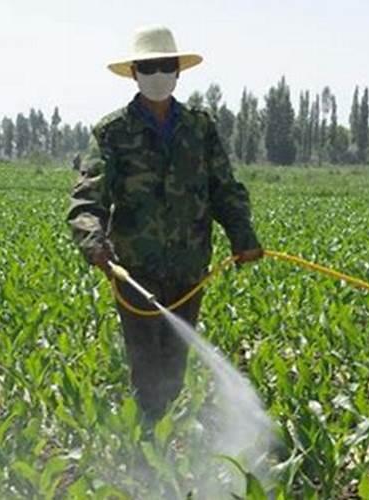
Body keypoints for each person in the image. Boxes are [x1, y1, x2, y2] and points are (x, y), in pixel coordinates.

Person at [67, 25, 263, 422]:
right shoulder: (113, 132)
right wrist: (94, 242)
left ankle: (161, 440)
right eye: (149, 66)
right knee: (147, 366)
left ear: (178, 71)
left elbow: (224, 188)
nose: (158, 74)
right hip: (135, 269)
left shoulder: (200, 128)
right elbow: (88, 198)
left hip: (190, 267)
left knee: (174, 366)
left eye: (165, 65)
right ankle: (144, 450)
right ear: (135, 73)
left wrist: (243, 236)